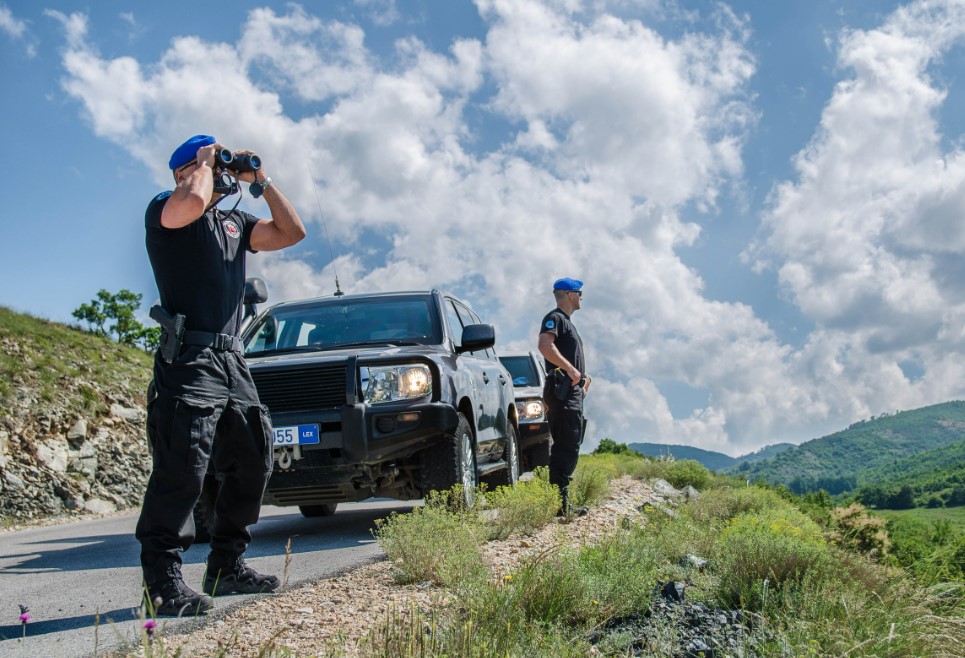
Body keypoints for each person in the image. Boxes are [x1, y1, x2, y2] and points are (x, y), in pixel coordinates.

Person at [137, 134, 306, 616]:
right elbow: (189, 200)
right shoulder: (166, 211)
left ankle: (226, 566)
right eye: (212, 163)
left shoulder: (234, 221)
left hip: (232, 361)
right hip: (188, 360)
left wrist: (262, 181)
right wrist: (204, 162)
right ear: (184, 171)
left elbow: (291, 232)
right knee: (182, 468)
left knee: (253, 459)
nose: (223, 170)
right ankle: (162, 582)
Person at [537, 277, 591, 517]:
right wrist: (570, 370)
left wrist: (583, 377)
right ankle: (560, 506)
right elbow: (545, 345)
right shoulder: (556, 318)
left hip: (571, 391)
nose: (581, 298)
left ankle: (561, 503)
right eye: (579, 293)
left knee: (571, 442)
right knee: (566, 444)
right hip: (562, 391)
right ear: (570, 295)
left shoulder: (568, 323)